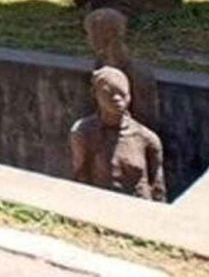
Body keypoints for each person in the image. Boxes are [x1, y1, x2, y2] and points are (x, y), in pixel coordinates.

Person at [69, 67, 165, 200]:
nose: (117, 99)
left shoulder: (147, 138)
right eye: (108, 93)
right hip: (103, 207)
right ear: (95, 94)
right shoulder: (83, 132)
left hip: (139, 208)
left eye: (122, 93)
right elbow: (80, 177)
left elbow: (158, 187)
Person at [83, 7, 160, 133]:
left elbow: (146, 118)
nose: (88, 39)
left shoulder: (137, 72)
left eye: (89, 33)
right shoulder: (100, 63)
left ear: (103, 35)